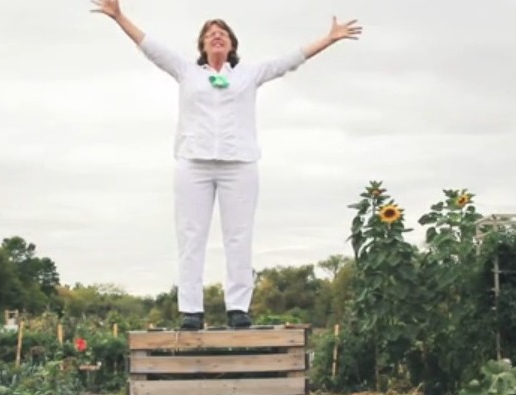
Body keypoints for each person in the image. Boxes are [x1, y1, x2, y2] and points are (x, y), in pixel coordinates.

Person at [90, 0, 362, 330]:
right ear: (202, 45)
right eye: (210, 34)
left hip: (239, 163)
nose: (216, 36)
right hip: (194, 163)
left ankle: (238, 308)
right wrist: (119, 17)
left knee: (239, 237)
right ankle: (191, 310)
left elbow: (289, 60)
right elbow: (150, 47)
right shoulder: (186, 71)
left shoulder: (248, 74)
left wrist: (329, 39)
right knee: (191, 236)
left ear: (232, 44)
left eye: (222, 33)